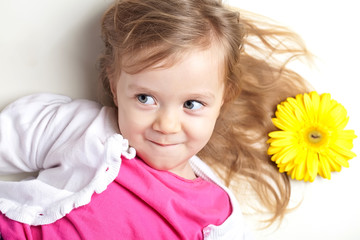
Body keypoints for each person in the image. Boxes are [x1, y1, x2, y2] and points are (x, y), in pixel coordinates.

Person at [0, 0, 310, 239]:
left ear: (223, 99)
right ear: (114, 83)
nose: (167, 125)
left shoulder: (218, 216)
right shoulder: (83, 129)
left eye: (192, 104)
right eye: (145, 99)